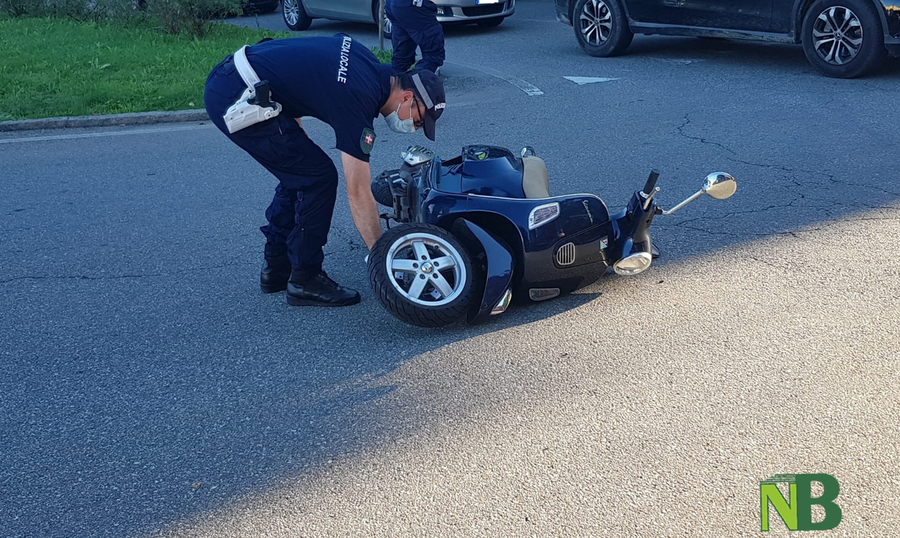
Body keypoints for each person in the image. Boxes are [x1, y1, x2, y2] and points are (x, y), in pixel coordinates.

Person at [203, 35, 446, 307]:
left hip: (240, 78)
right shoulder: (358, 98)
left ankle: (276, 267)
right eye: (418, 119)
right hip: (236, 96)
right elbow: (357, 192)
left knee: (301, 171)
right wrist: (383, 259)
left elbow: (301, 71)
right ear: (408, 97)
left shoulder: (363, 60)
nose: (414, 126)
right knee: (318, 179)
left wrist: (296, 135)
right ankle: (305, 279)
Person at [386, 0, 446, 75]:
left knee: (402, 58)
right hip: (414, 6)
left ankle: (393, 83)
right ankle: (414, 83)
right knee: (433, 55)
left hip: (393, 5)